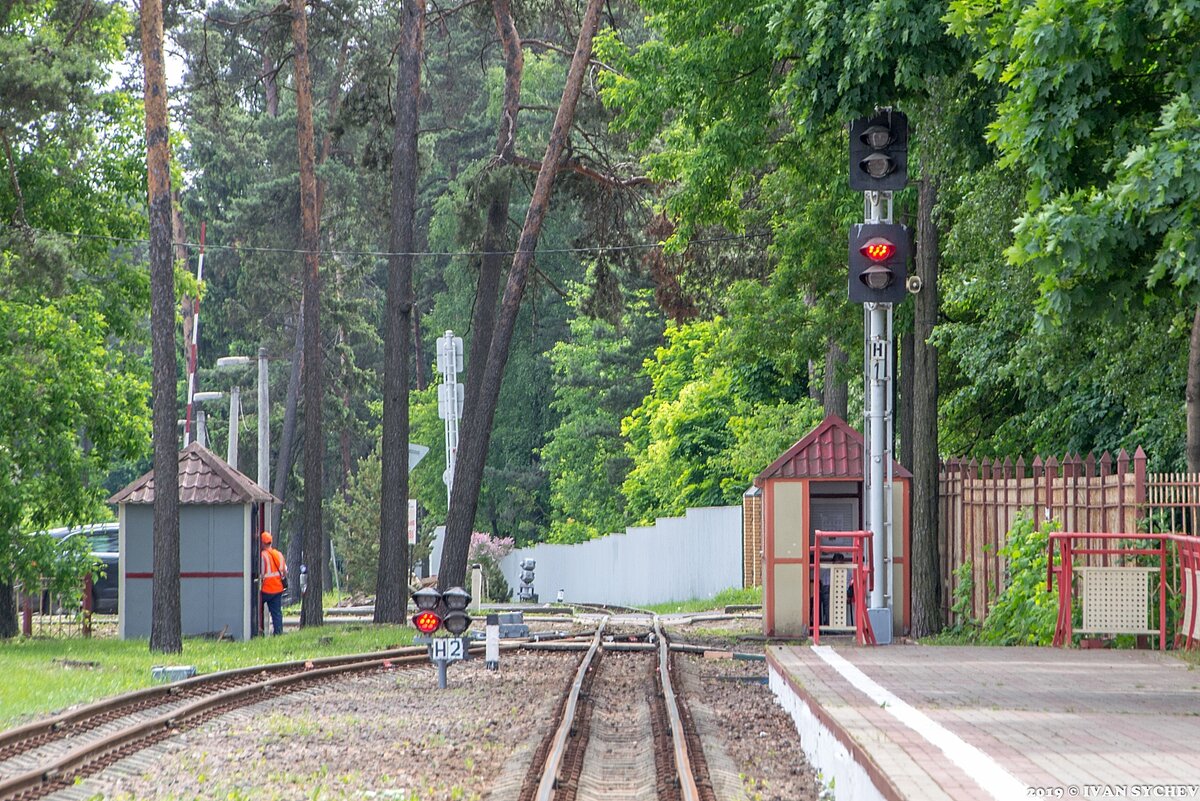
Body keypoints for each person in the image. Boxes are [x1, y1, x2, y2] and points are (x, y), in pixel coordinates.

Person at [260, 532, 288, 635]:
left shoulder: (263, 555)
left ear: (262, 543)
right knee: (276, 613)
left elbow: (262, 573)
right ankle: (278, 633)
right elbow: (285, 571)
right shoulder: (279, 554)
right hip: (278, 589)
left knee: (258, 609)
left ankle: (258, 629)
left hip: (266, 589)